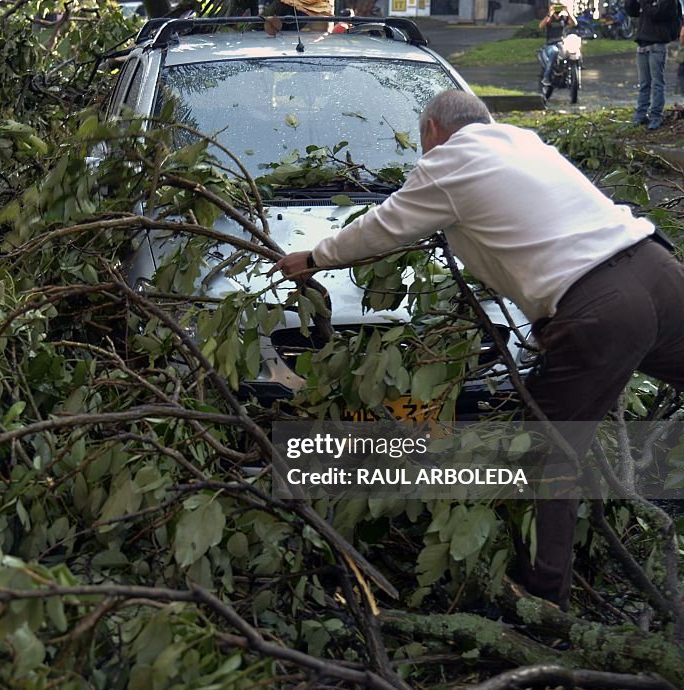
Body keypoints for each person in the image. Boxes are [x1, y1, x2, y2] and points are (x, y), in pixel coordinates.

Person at [269, 90, 684, 610]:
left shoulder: (447, 161)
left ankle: (544, 602)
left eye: (425, 144)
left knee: (548, 450)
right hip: (657, 269)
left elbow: (384, 227)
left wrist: (314, 256)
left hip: (598, 310)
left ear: (435, 132)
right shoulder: (521, 139)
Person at [626, 0, 684, 129]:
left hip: (657, 44)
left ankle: (656, 116)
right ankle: (640, 115)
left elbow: (657, 14)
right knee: (644, 83)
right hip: (642, 44)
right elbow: (633, 11)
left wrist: (644, 3)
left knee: (657, 83)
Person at [539, 3, 577, 88]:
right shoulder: (550, 19)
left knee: (573, 51)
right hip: (551, 44)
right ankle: (546, 77)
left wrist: (568, 11)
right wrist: (550, 13)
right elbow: (541, 26)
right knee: (554, 52)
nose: (557, 10)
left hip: (561, 43)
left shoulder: (564, 19)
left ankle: (571, 73)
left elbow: (574, 23)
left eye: (558, 7)